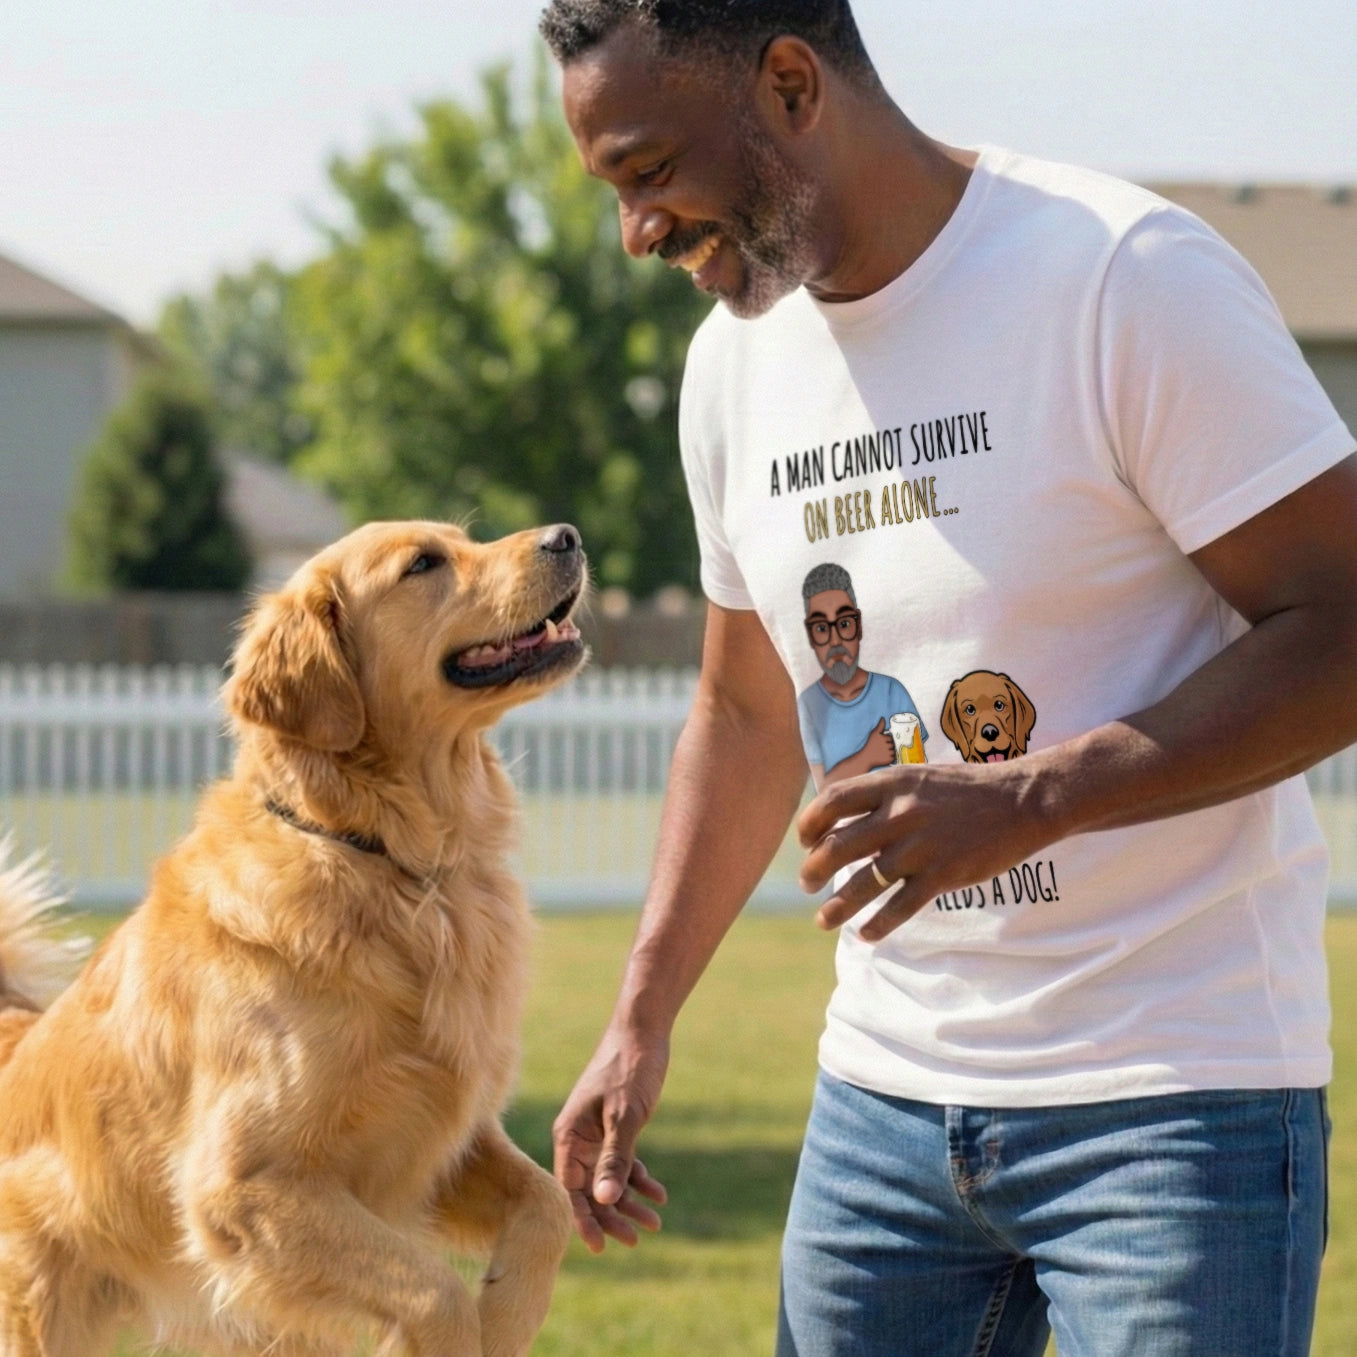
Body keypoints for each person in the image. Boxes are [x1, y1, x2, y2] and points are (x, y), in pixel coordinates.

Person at [538, 2, 1357, 1353]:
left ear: (791, 84)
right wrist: (640, 1014)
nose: (634, 230)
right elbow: (745, 713)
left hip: (1174, 1103)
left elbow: (1342, 624)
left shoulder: (1116, 278)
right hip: (884, 1108)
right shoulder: (732, 369)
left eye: (645, 169)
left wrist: (1032, 800)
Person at [798, 561, 929, 783]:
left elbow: (921, 772)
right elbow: (823, 789)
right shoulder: (809, 704)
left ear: (859, 626)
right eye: (821, 628)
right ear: (810, 636)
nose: (836, 640)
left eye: (845, 623)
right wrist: (866, 758)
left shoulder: (891, 692)